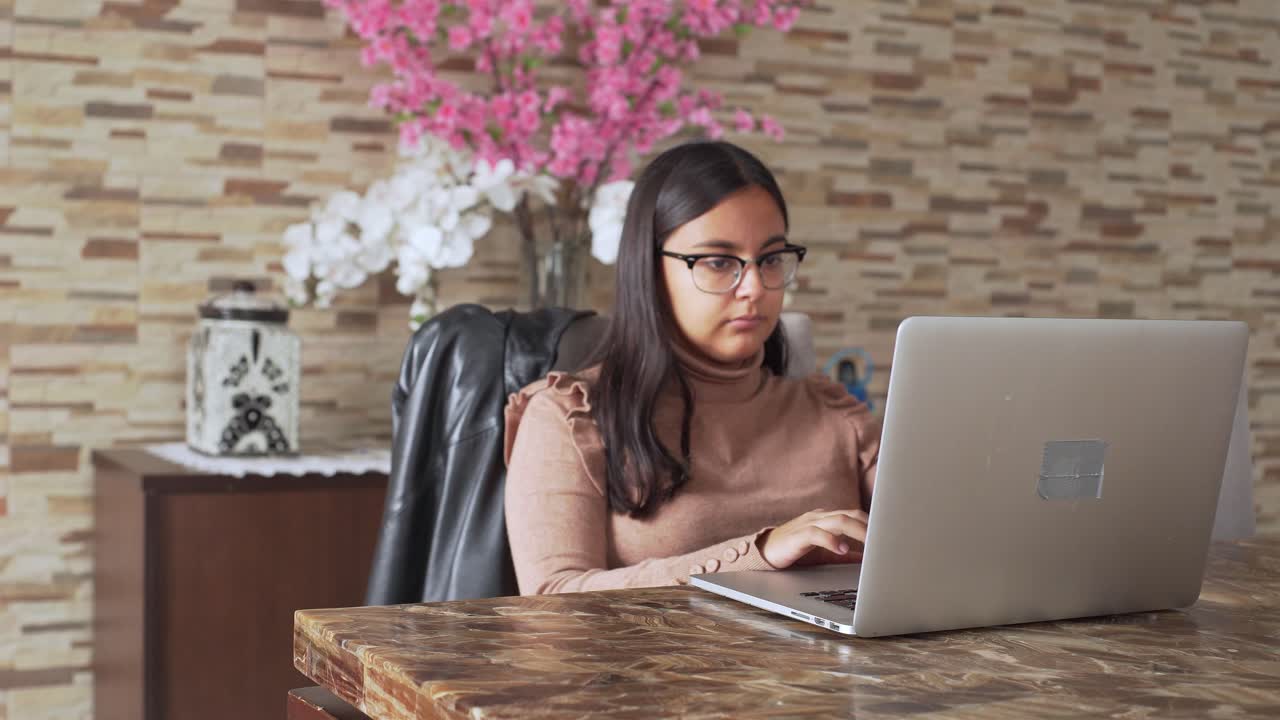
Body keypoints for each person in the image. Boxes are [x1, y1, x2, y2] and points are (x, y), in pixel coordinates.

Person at [503, 140, 882, 595]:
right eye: (719, 262)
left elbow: (937, 538)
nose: (755, 288)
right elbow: (551, 598)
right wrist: (758, 554)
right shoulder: (570, 417)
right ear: (650, 270)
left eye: (770, 259)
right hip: (649, 647)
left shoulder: (834, 412)